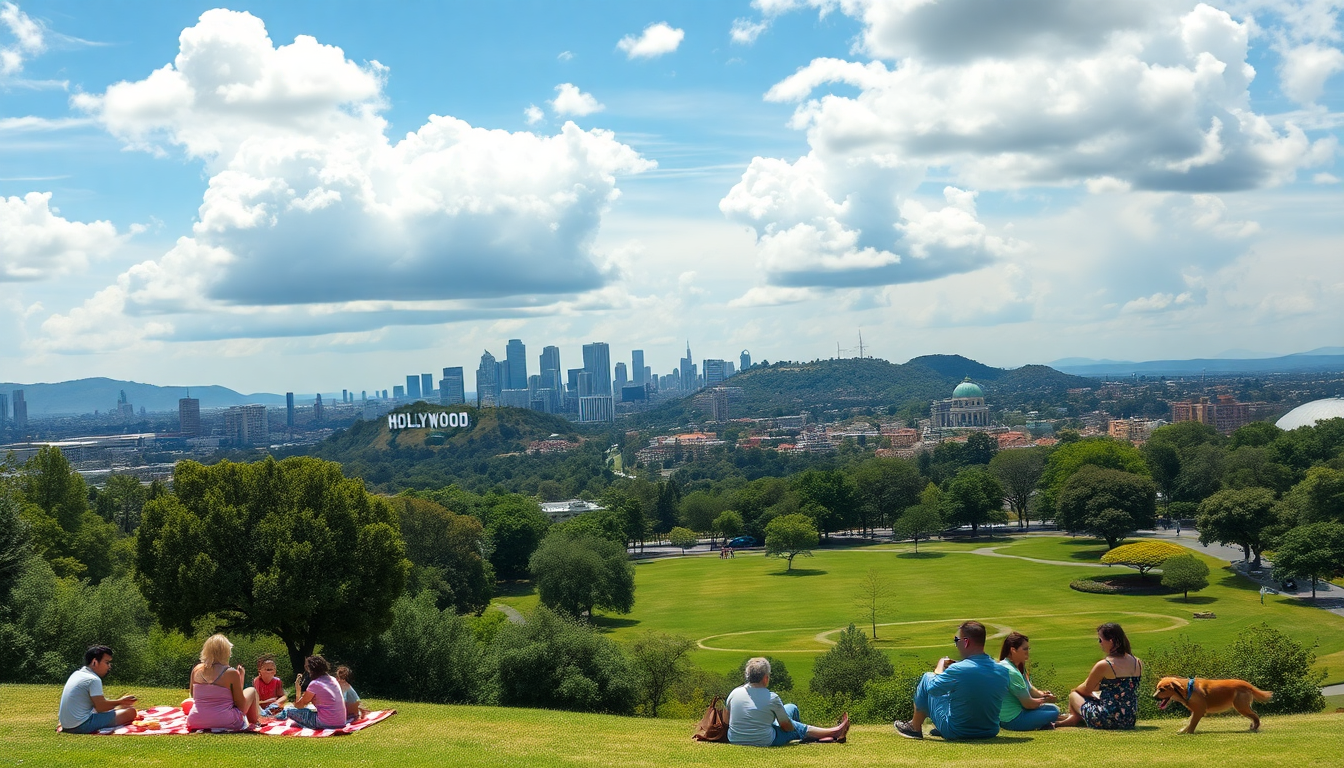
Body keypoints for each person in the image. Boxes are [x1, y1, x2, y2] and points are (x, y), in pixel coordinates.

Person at [894, 620, 1010, 740]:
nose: (956, 644)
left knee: (927, 677)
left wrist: (940, 665)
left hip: (957, 731)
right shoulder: (1002, 671)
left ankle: (914, 727)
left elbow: (933, 689)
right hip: (990, 731)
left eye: (956, 640)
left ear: (966, 642)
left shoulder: (958, 670)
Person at [726, 657, 850, 746]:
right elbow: (787, 727)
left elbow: (729, 719)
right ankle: (834, 731)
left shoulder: (734, 693)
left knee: (791, 707)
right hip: (765, 740)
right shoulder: (772, 698)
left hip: (734, 739)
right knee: (793, 725)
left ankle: (813, 735)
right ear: (765, 678)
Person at [1057, 622, 1143, 730]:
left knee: (1074, 694)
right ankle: (1073, 718)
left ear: (1110, 641)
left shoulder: (1105, 664)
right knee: (1093, 696)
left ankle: (1073, 719)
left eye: (1100, 640)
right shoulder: (1137, 662)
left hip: (1107, 720)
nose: (1100, 644)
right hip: (1128, 720)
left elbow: (1085, 689)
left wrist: (1081, 690)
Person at [185, 634, 262, 730]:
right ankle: (255, 722)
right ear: (227, 652)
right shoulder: (231, 673)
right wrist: (241, 677)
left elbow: (193, 695)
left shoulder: (196, 669)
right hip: (225, 720)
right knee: (251, 690)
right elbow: (241, 706)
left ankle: (255, 722)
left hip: (195, 721)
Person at [58, 645, 138, 734]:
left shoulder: (77, 674)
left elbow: (97, 704)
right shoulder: (93, 679)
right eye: (106, 662)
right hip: (81, 725)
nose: (109, 667)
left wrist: (120, 703)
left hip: (67, 724)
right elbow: (101, 707)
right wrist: (121, 701)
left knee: (121, 707)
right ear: (95, 662)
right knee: (131, 712)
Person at [996, 632, 1059, 731]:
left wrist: (1043, 695)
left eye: (1028, 649)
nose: (1027, 652)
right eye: (1025, 649)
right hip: (1012, 720)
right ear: (1013, 650)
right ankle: (1050, 722)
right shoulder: (1012, 672)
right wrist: (1045, 700)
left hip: (1009, 715)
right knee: (1054, 711)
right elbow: (1028, 704)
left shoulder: (1015, 666)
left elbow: (1030, 689)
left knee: (1051, 709)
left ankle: (1046, 722)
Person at [282, 655, 348, 730]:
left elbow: (299, 706)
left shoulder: (315, 684)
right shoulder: (333, 680)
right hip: (341, 722)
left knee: (287, 711)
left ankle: (270, 718)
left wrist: (298, 690)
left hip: (325, 723)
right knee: (307, 710)